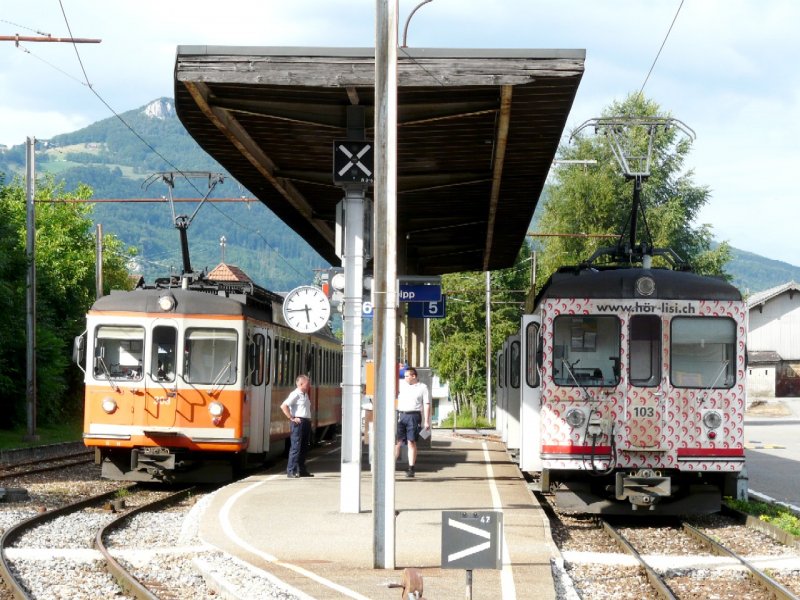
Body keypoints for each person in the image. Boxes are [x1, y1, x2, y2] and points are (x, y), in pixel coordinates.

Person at [395, 367, 431, 478]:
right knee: (398, 442)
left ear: (413, 376)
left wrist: (426, 421)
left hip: (414, 416)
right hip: (401, 415)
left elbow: (426, 404)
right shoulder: (401, 385)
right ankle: (390, 466)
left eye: (407, 376)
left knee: (411, 442)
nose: (404, 378)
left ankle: (411, 468)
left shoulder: (423, 387)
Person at [281, 374, 314, 478]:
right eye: (307, 384)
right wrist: (291, 418)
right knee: (296, 447)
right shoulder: (295, 394)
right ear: (300, 384)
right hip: (298, 423)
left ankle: (301, 470)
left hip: (306, 422)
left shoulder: (305, 394)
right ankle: (291, 470)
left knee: (304, 447)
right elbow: (284, 406)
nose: (309, 386)